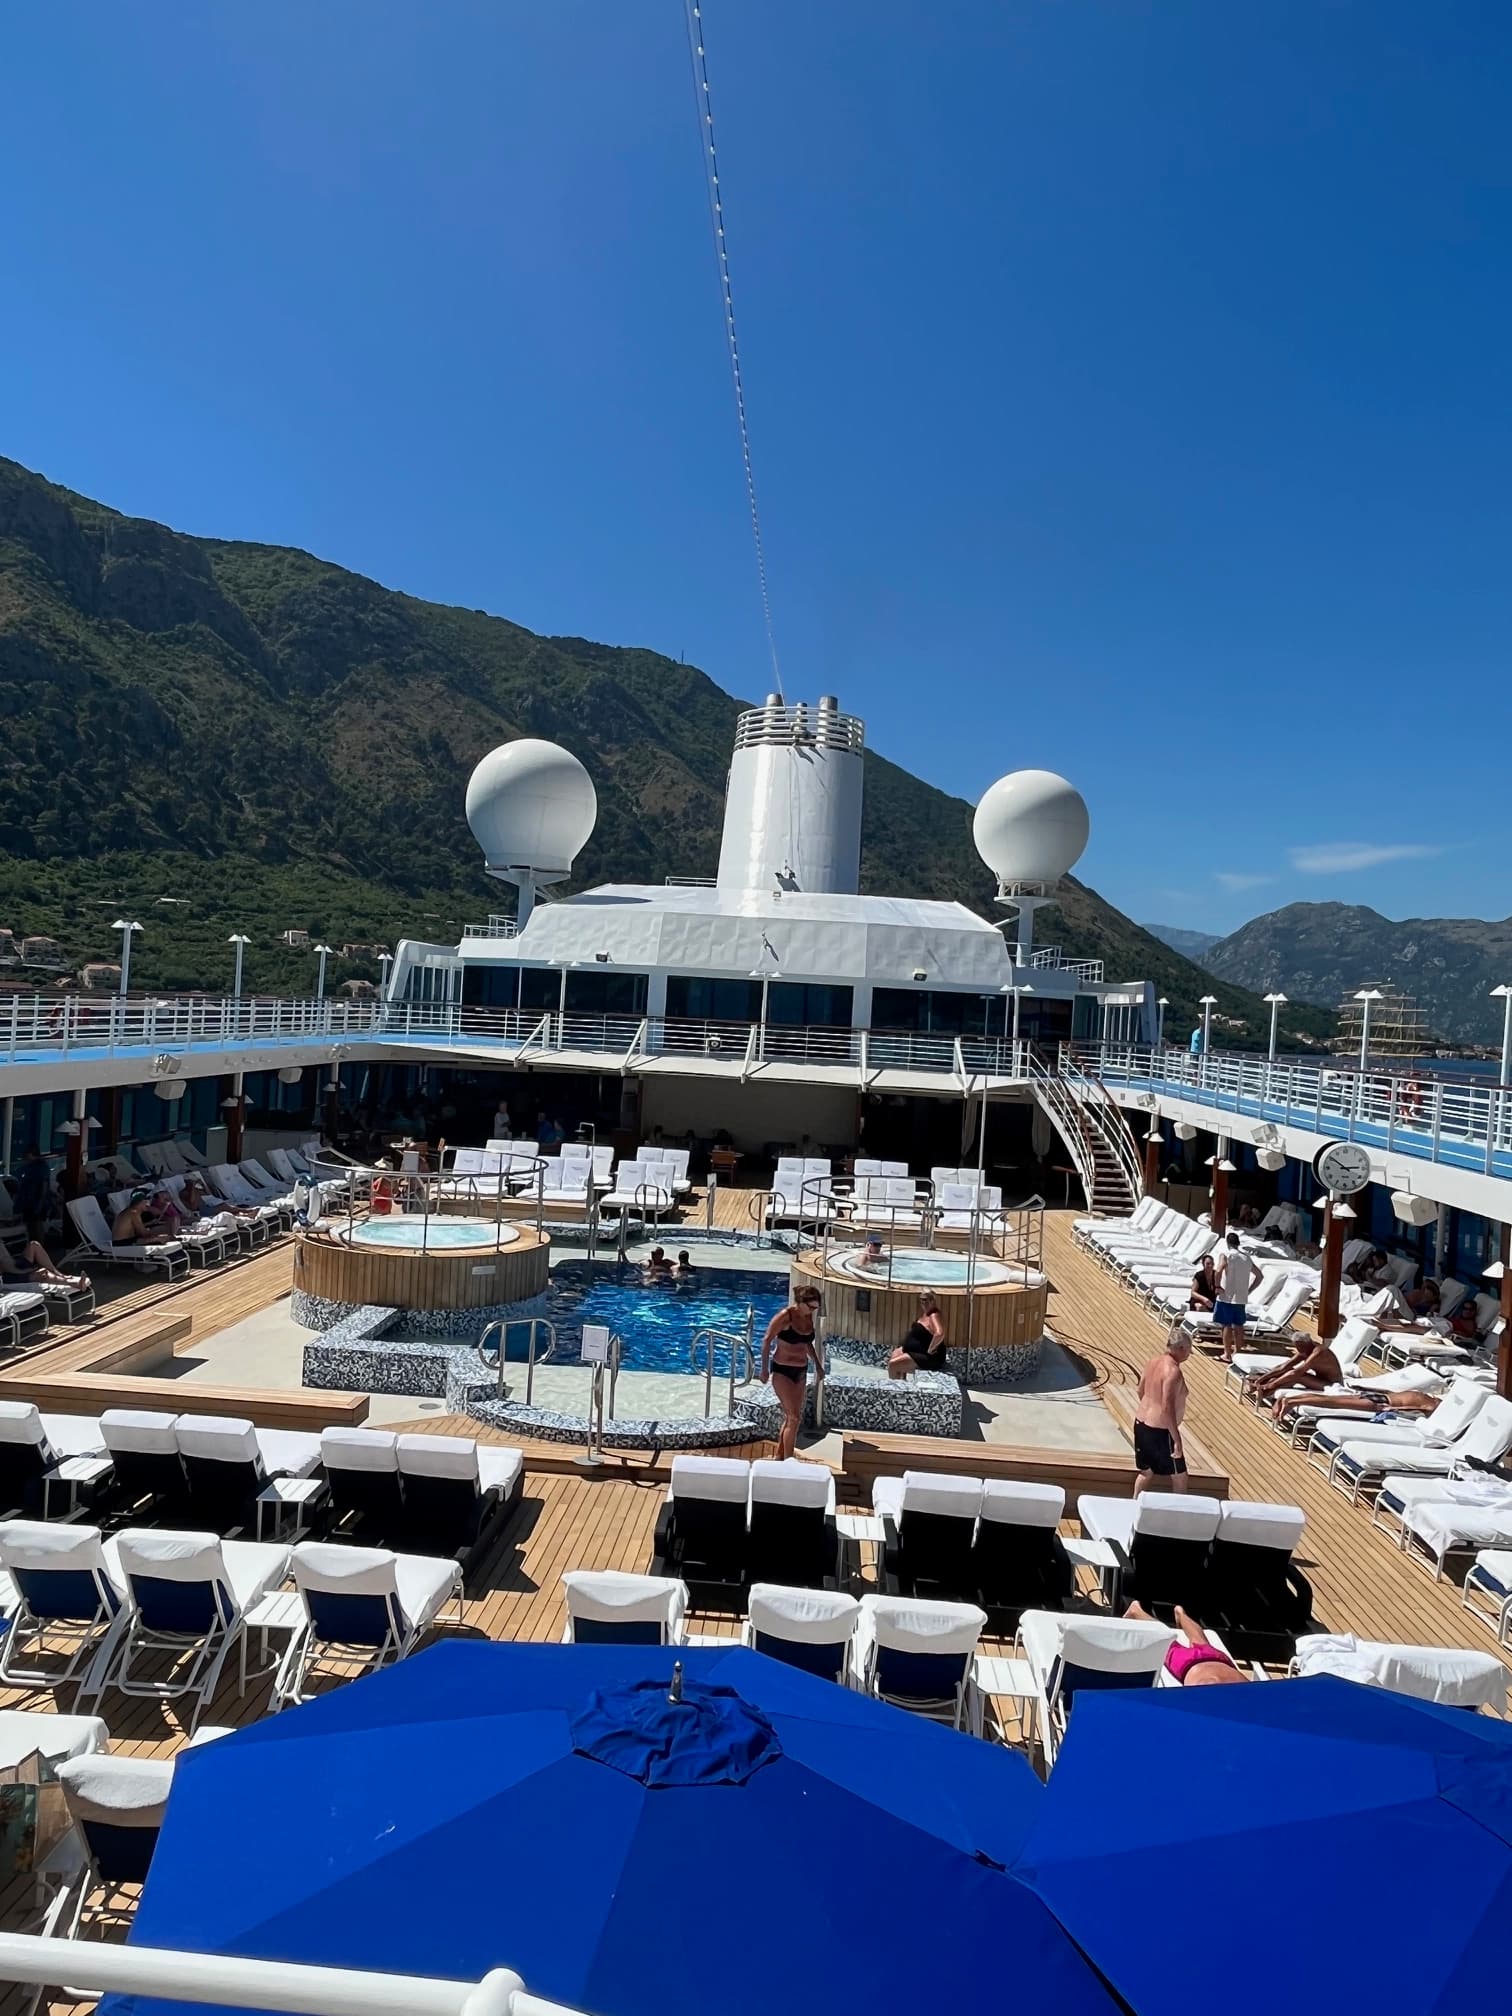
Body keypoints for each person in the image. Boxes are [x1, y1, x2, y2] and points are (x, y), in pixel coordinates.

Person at [760, 1287, 823, 1461]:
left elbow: (806, 1343)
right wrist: (764, 1369)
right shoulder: (785, 1317)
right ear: (800, 1303)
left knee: (793, 1417)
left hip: (801, 1371)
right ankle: (789, 1460)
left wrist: (817, 1365)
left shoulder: (808, 1317)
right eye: (810, 1307)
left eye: (815, 1308)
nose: (812, 1311)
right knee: (794, 1417)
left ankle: (779, 1456)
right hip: (783, 1370)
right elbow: (766, 1340)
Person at [1126, 1603, 1247, 1686]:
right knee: (1165, 1640)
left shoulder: (1248, 1690)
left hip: (1217, 1659)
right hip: (1187, 1664)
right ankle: (1136, 1611)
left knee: (1199, 1639)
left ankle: (1181, 1614)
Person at [1133, 1326, 1191, 1495]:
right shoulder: (1173, 1371)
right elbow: (1167, 1408)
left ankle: (1134, 1504)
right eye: (1188, 1351)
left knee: (1146, 1472)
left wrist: (1150, 1408)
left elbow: (1139, 1390)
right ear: (1180, 1349)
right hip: (1160, 1431)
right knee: (1180, 1476)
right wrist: (1177, 1440)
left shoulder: (1152, 1362)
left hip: (1141, 1423)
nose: (1188, 1355)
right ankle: (1178, 1514)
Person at [1246, 1333, 1345, 1407]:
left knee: (1297, 1376)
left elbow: (1297, 1373)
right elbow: (1284, 1367)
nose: (1299, 1350)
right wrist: (1262, 1378)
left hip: (1332, 1385)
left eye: (1300, 1347)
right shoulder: (1305, 1349)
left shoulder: (1318, 1352)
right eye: (1297, 1347)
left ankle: (1264, 1391)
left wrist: (1271, 1384)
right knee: (1288, 1373)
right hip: (1320, 1380)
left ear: (1308, 1343)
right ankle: (1262, 1390)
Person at [1215, 1232, 1264, 1363]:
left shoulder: (1226, 1255)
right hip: (1241, 1298)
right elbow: (1259, 1276)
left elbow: (1219, 1270)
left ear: (1227, 1243)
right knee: (1238, 1326)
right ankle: (1238, 1352)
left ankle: (1227, 1353)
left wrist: (1217, 1286)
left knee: (1226, 1325)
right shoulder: (1246, 1258)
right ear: (1238, 1243)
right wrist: (1249, 1290)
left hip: (1227, 1296)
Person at [0, 1228, 86, 1290]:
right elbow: (3, 1266)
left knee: (34, 1244)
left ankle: (57, 1273)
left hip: (16, 1264)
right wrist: (28, 1271)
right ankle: (75, 1284)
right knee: (43, 1273)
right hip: (10, 1275)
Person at [887, 1291, 948, 1378]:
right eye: (921, 1300)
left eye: (926, 1300)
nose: (923, 1303)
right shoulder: (926, 1313)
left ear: (932, 1301)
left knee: (893, 1364)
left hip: (930, 1357)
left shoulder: (933, 1315)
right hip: (918, 1350)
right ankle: (902, 1386)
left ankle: (894, 1390)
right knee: (895, 1353)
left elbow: (940, 1333)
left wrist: (931, 1349)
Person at [14, 1149, 52, 1241]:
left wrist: (39, 1206)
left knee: (36, 1226)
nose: (26, 1159)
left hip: (35, 1202)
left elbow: (43, 1187)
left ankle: (38, 1248)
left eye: (27, 1156)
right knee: (32, 1226)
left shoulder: (40, 1168)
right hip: (31, 1202)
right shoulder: (32, 1167)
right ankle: (35, 1247)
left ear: (32, 1154)